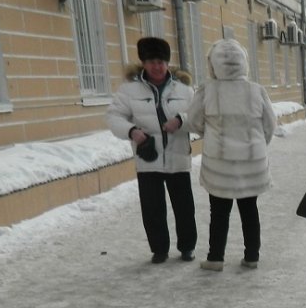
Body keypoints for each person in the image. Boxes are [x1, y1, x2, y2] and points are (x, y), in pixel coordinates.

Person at [184, 39, 277, 271]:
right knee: (249, 210)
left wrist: (213, 135)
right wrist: (257, 145)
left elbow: (194, 121)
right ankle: (252, 256)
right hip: (252, 162)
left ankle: (215, 258)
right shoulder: (256, 90)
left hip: (219, 164)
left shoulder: (207, 90)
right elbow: (270, 124)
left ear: (214, 65)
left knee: (219, 211)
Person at [107, 36, 196, 263]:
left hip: (178, 157)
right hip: (148, 157)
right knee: (152, 208)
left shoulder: (184, 90)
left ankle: (187, 247)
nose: (157, 66)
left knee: (184, 207)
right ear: (143, 63)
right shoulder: (129, 91)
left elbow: (198, 117)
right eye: (151, 61)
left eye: (161, 61)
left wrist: (180, 120)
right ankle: (159, 249)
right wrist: (132, 131)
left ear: (168, 63)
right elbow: (114, 116)